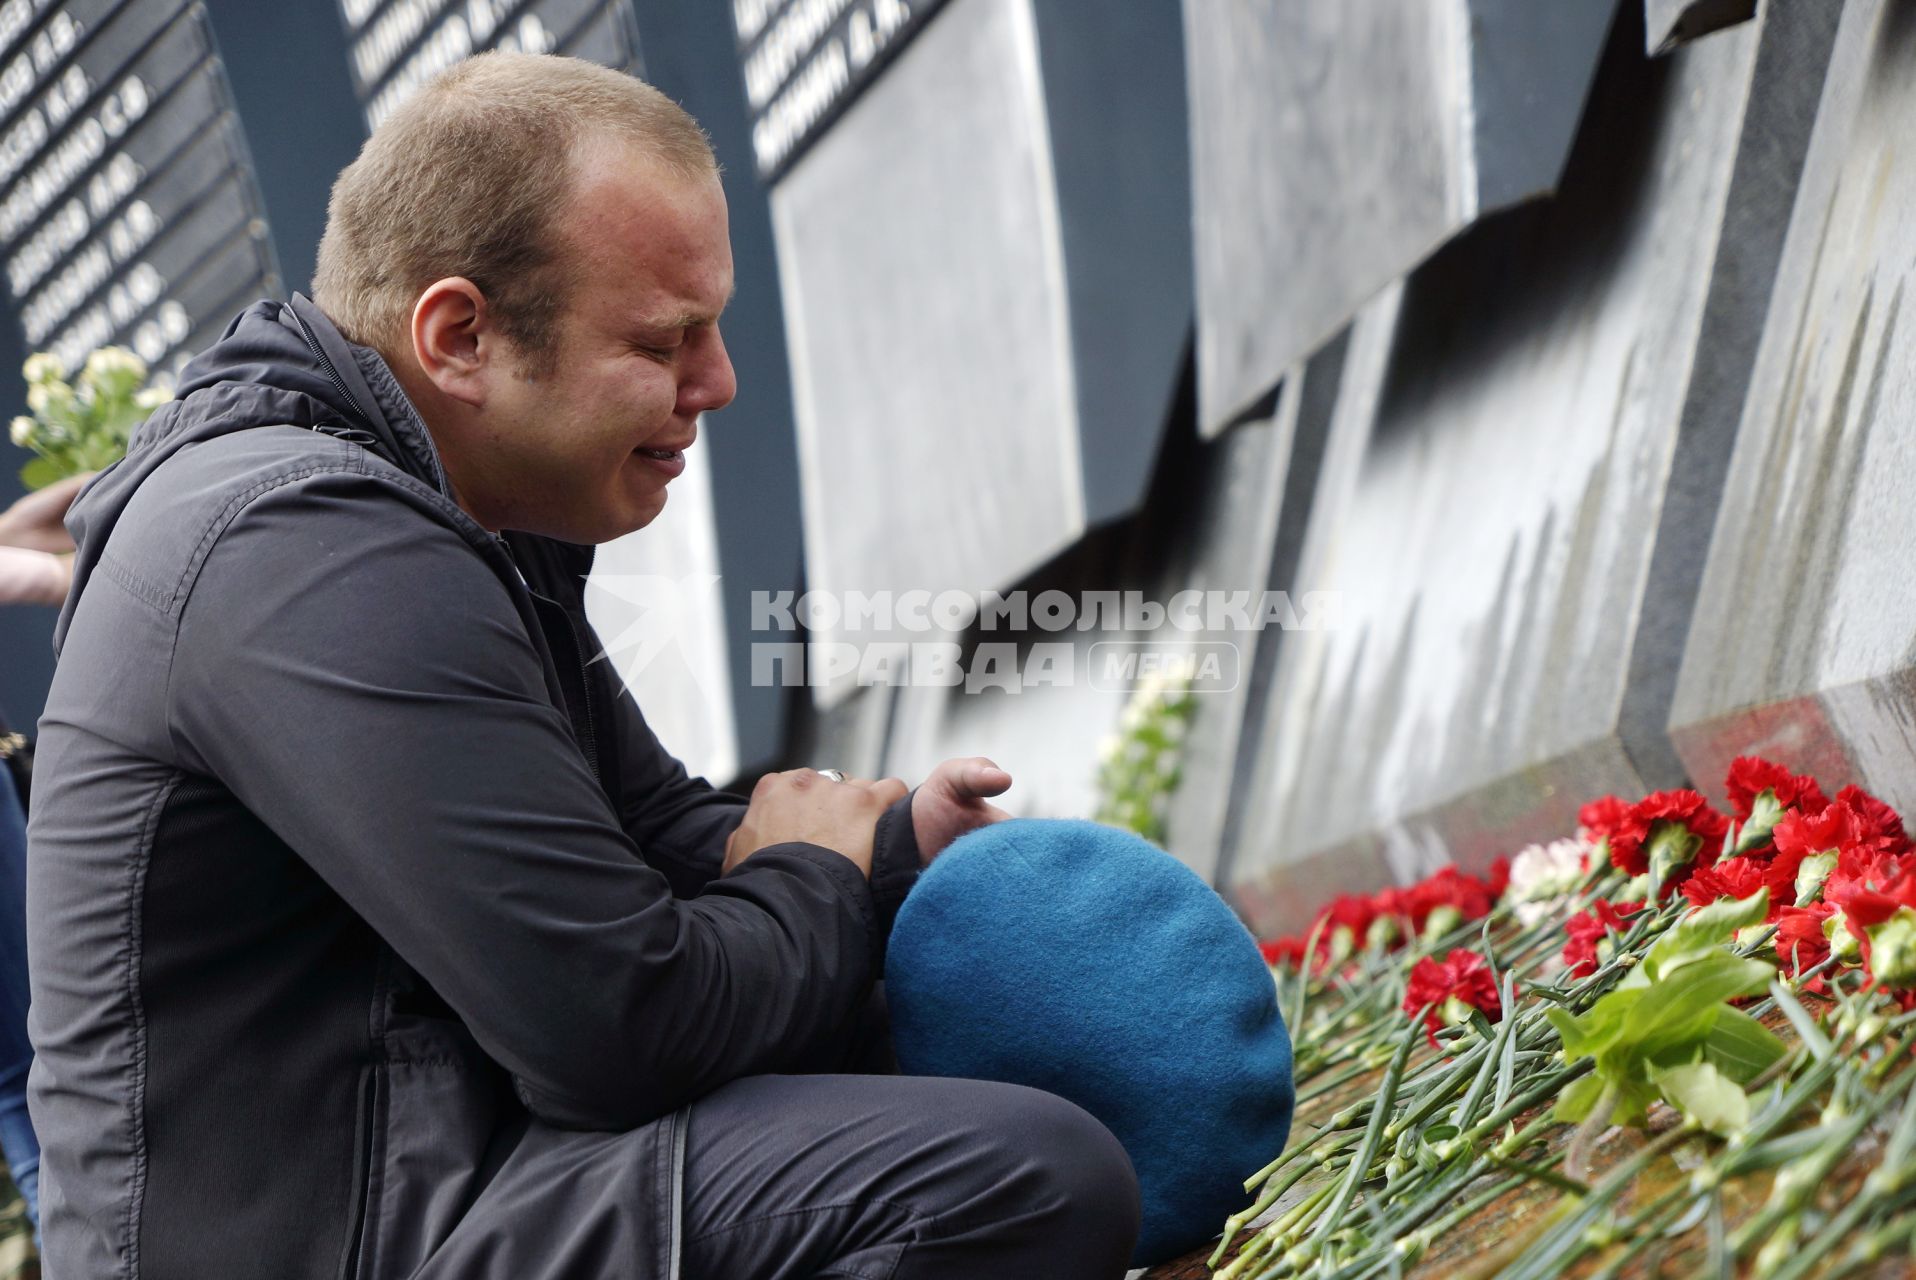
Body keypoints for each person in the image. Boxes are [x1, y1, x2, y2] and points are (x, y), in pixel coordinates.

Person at [25, 52, 1140, 1280]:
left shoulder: (436, 506)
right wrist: (809, 874)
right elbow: (619, 1031)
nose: (714, 382)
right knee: (1016, 1181)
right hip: (346, 1236)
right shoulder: (304, 552)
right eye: (664, 339)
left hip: (447, 1170)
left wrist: (873, 854)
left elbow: (653, 831)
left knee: (978, 1059)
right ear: (459, 336)